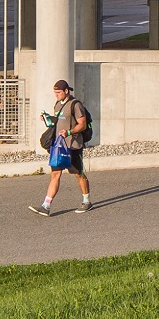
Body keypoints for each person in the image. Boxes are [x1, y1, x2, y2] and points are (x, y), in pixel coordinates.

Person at [30, 78, 91, 216]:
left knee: (78, 174)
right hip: (59, 146)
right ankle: (46, 205)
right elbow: (57, 122)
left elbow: (83, 124)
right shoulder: (57, 104)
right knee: (55, 174)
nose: (56, 95)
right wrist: (47, 119)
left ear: (66, 91)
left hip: (73, 146)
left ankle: (86, 201)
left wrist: (69, 132)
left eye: (58, 92)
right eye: (55, 92)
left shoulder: (75, 105)